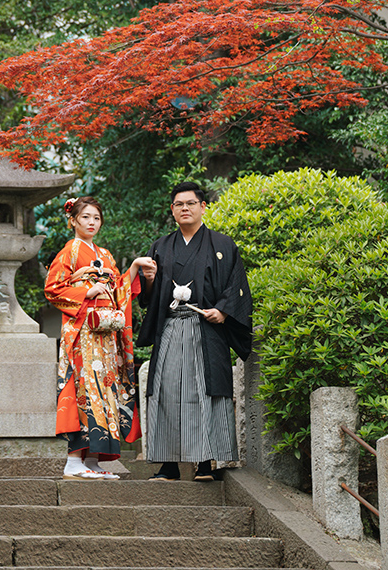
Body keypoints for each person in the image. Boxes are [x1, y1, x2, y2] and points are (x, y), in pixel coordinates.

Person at [136, 181, 252, 481]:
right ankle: (168, 464)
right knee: (166, 392)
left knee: (204, 393)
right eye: (179, 204)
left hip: (207, 330)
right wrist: (148, 279)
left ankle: (204, 462)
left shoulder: (223, 245)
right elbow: (149, 296)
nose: (185, 208)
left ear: (203, 207)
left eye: (190, 203)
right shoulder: (161, 247)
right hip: (172, 326)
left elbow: (236, 285)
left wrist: (224, 310)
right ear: (172, 210)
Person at [45, 196, 156, 479]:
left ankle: (92, 460)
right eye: (85, 217)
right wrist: (86, 292)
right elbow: (53, 288)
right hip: (82, 333)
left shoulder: (105, 254)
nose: (91, 222)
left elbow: (120, 289)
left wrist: (132, 269)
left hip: (105, 336)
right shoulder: (68, 252)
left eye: (96, 218)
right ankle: (73, 460)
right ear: (73, 221)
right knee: (83, 389)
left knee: (105, 389)